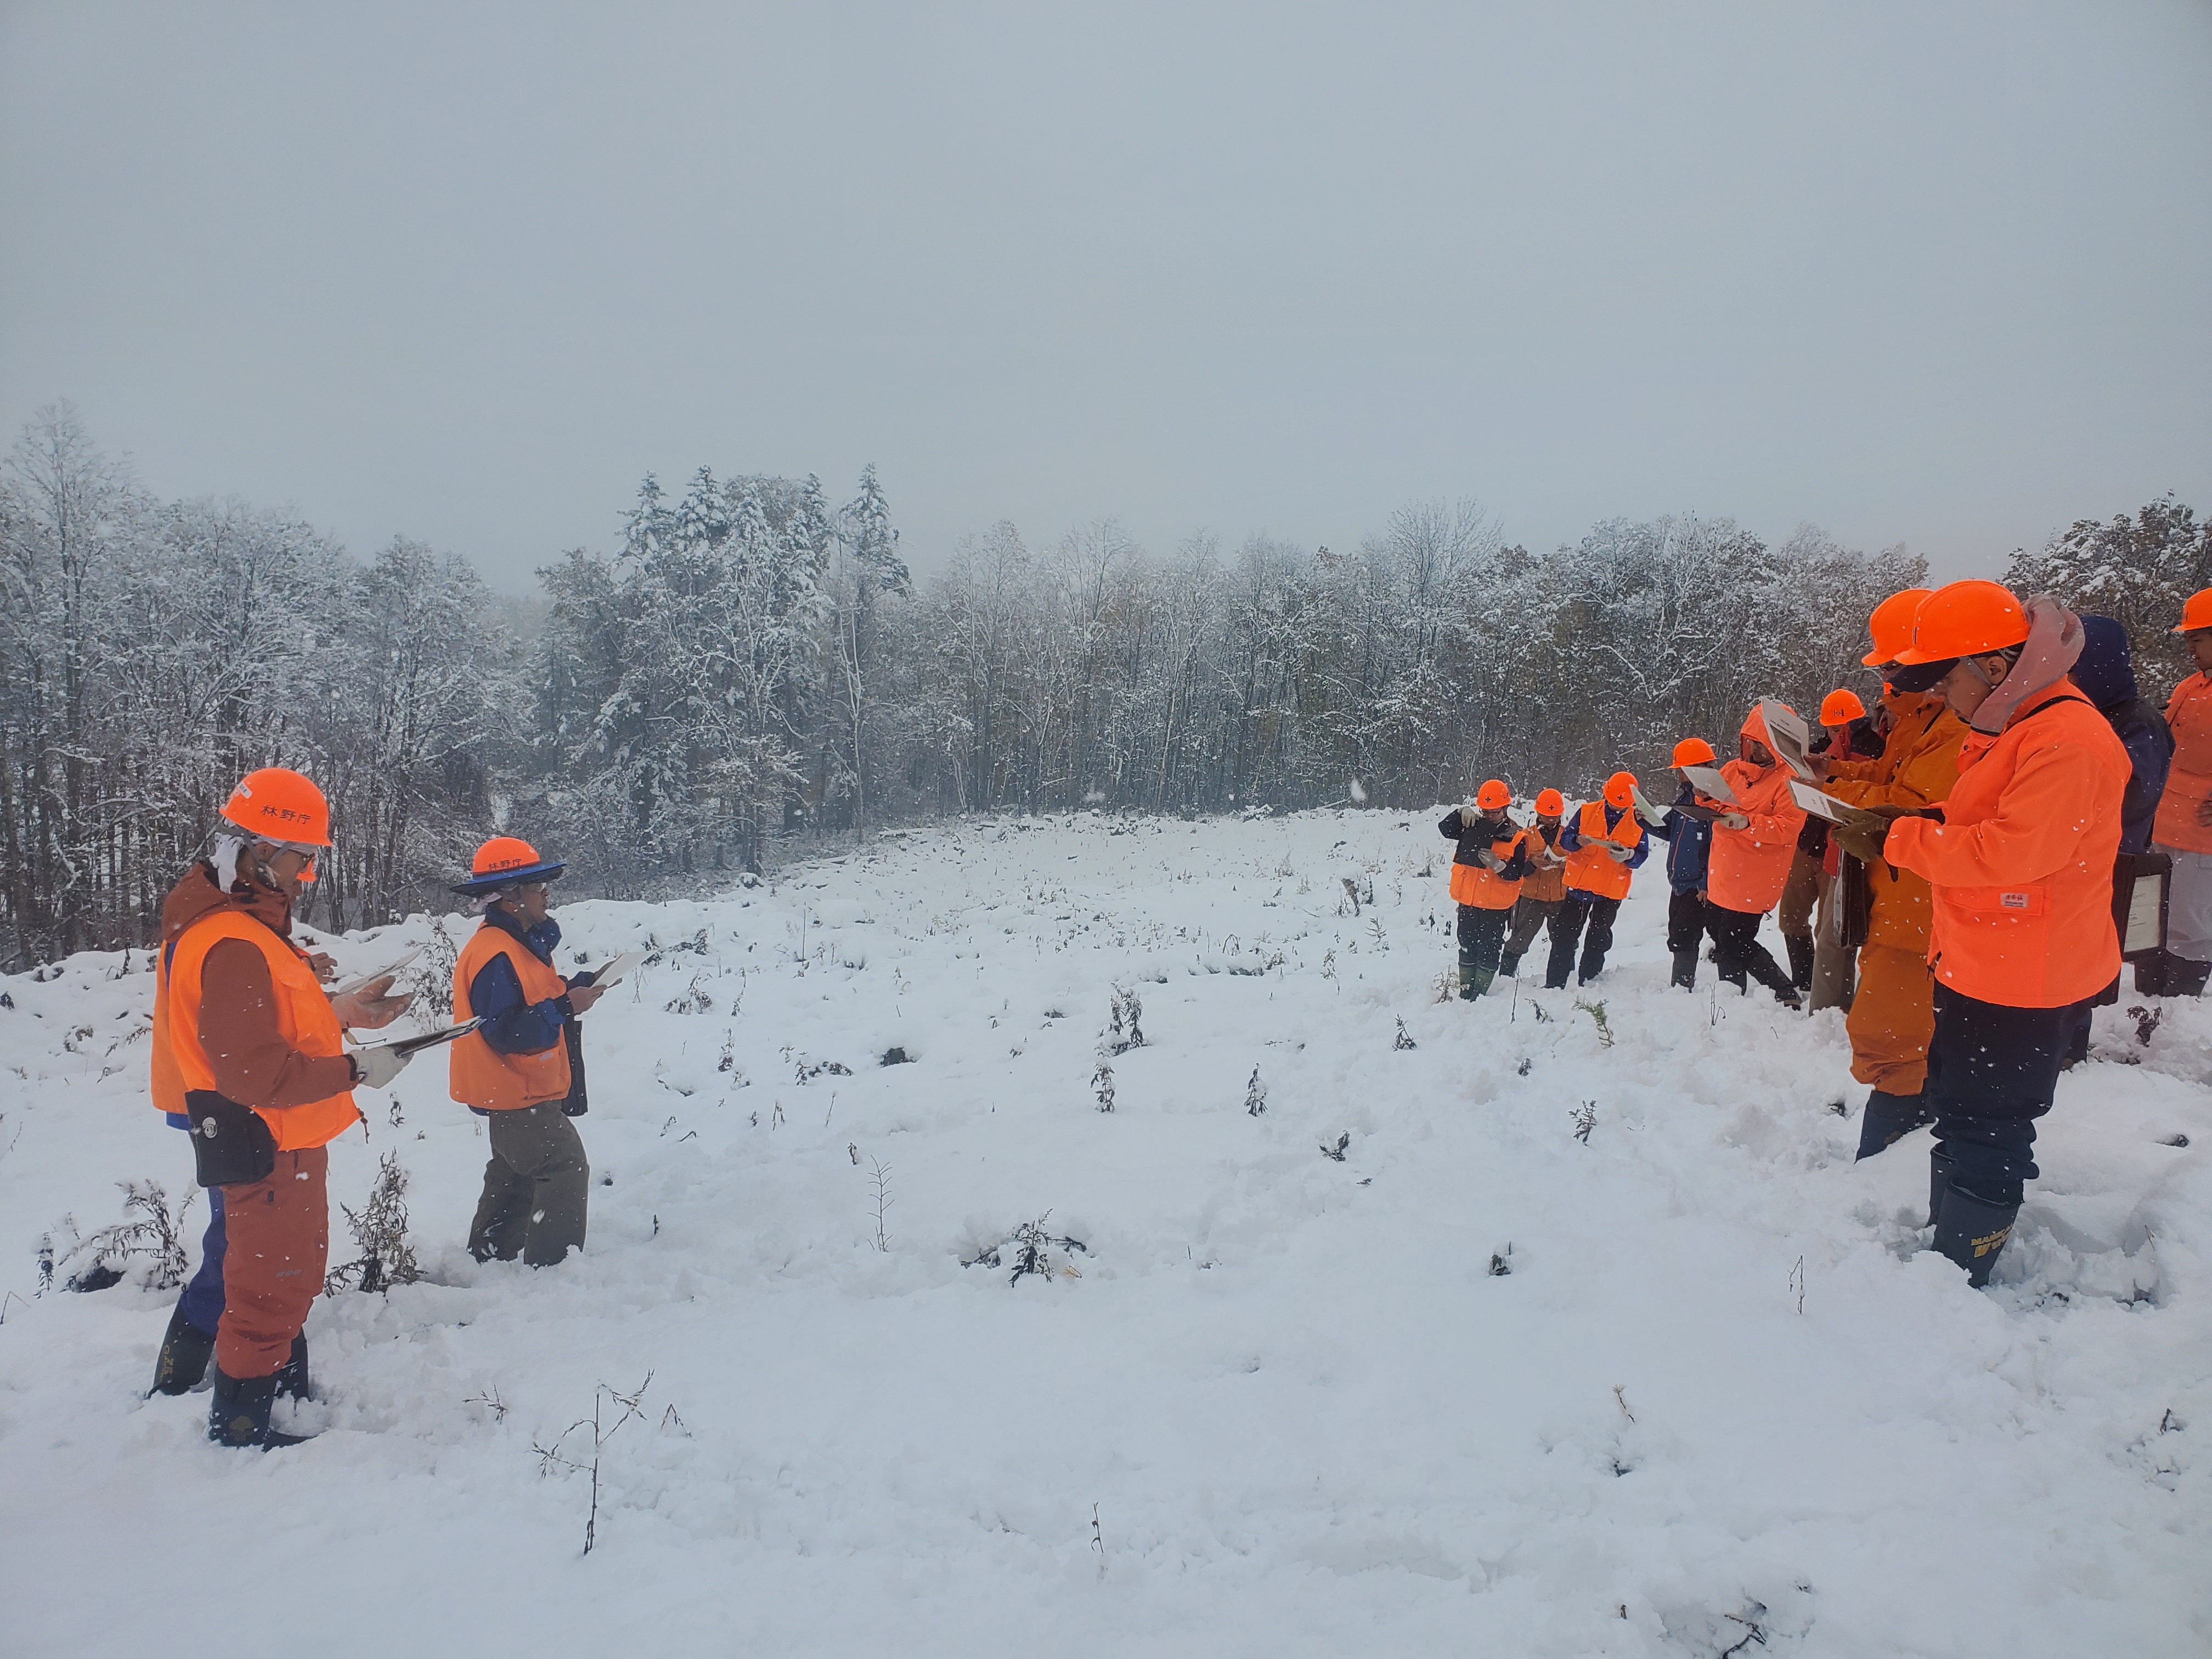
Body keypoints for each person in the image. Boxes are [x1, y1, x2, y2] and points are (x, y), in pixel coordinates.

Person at [149, 768, 413, 1444]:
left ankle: (267, 1392)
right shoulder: (234, 940)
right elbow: (255, 1072)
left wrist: (341, 1012)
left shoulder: (236, 927)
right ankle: (241, 1427)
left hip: (265, 1134)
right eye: (303, 859)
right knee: (267, 1283)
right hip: (265, 1136)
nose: (307, 875)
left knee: (271, 1273)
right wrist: (357, 1069)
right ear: (264, 852)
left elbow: (264, 1028)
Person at [1875, 580, 2128, 1287]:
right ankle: (1948, 1245)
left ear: (1992, 666)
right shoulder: (2024, 725)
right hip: (1985, 961)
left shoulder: (2068, 740)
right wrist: (1925, 820)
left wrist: (1901, 841)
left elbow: (2011, 853)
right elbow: (1990, 818)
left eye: (1944, 676)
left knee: (1990, 1124)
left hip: (2024, 978)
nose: (1938, 693)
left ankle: (1960, 1275)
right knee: (1960, 1107)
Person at [1818, 590, 1967, 1159]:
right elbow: (1891, 776)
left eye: (1892, 667)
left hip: (1917, 900)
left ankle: (1888, 1150)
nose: (1885, 680)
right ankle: (1905, 1127)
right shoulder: (1923, 719)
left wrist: (1832, 791)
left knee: (1891, 1032)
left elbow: (1910, 806)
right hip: (1901, 890)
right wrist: (1832, 771)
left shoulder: (1955, 725)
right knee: (1899, 1028)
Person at [449, 837, 605, 1265]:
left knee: (515, 1173)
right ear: (511, 897)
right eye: (538, 888)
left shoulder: (515, 943)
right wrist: (565, 1008)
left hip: (519, 1091)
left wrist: (573, 990)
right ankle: (553, 1268)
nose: (546, 896)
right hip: (517, 1093)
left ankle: (488, 1255)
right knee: (564, 1166)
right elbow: (506, 1032)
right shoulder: (495, 953)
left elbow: (533, 999)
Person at [2065, 616, 2171, 1044]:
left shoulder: (2138, 722)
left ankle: (2069, 1046)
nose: (2067, 680)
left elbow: (2132, 794)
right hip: (2086, 856)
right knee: (2067, 953)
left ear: (2099, 664)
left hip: (2112, 860)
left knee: (2080, 959)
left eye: (2073, 669)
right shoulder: (2095, 714)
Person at [1697, 708, 1807, 1007]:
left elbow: (1788, 827)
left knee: (1735, 940)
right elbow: (1714, 803)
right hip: (1723, 868)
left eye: (1761, 744)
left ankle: (1783, 991)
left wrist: (1748, 823)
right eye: (1750, 742)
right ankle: (1732, 998)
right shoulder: (1732, 770)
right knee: (1719, 934)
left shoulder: (1791, 780)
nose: (1755, 750)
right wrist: (1703, 797)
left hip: (1755, 876)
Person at [2149, 589, 2212, 997]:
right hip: (2164, 823)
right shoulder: (2191, 685)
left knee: (2190, 925)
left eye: (2198, 638)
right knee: (2154, 916)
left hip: (2201, 837)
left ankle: (2182, 1004)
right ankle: (2153, 999)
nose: (2190, 647)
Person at [1547, 771, 1647, 989]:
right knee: (1564, 936)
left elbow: (1641, 855)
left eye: (1621, 805)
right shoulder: (1587, 811)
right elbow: (1565, 840)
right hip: (1580, 887)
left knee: (1599, 939)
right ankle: (1555, 984)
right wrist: (1577, 841)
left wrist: (1629, 856)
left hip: (1611, 890)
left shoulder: (1640, 820)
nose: (1616, 807)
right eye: (1612, 802)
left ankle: (1590, 983)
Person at [1437, 781, 1532, 998]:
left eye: (1495, 812)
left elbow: (1518, 872)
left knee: (1489, 950)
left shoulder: (1517, 836)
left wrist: (1499, 865)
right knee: (1466, 945)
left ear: (1506, 808)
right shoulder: (1472, 825)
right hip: (1469, 901)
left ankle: (1480, 994)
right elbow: (1445, 829)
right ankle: (1465, 991)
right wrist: (1459, 813)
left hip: (1495, 906)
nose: (1489, 816)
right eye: (1485, 811)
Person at [1645, 738, 1719, 990]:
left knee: (1688, 936)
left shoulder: (1713, 801)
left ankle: (1682, 987)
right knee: (1678, 934)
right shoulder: (1686, 798)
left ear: (1696, 769)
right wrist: (1644, 820)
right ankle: (1680, 986)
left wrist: (1705, 883)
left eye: (1681, 769)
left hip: (1697, 885)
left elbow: (1717, 846)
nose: (1677, 774)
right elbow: (1668, 830)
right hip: (1679, 882)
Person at [1499, 788, 1570, 980]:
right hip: (1531, 899)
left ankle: (1566, 977)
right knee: (1519, 940)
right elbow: (1515, 868)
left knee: (1564, 941)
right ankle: (1505, 978)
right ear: (1538, 813)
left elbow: (1580, 864)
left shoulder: (1568, 836)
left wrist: (1567, 865)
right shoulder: (1525, 836)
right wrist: (1532, 864)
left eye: (1555, 816)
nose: (1551, 820)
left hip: (1561, 897)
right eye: (1547, 816)